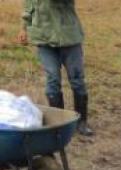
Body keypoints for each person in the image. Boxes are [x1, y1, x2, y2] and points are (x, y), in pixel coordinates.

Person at [18, 0, 93, 136]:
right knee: (52, 79)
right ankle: (59, 124)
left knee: (77, 80)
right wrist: (24, 28)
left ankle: (82, 122)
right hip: (44, 38)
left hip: (69, 37)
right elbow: (29, 7)